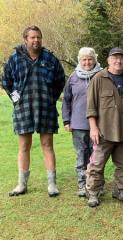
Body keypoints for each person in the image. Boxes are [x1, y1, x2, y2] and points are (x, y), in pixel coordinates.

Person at [2, 25, 65, 197]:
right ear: (25, 39)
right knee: (24, 146)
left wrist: (51, 98)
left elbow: (60, 80)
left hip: (46, 108)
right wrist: (17, 100)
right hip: (24, 109)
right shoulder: (15, 58)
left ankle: (52, 184)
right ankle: (21, 184)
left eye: (38, 37)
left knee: (47, 145)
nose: (36, 40)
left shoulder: (50, 58)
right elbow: (6, 81)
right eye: (32, 37)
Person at [85, 47, 123, 207]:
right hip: (103, 131)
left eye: (121, 58)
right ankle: (93, 192)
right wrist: (93, 128)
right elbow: (91, 107)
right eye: (115, 58)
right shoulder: (98, 78)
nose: (118, 61)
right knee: (97, 164)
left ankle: (120, 190)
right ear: (108, 60)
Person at [62, 47, 102, 197]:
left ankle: (97, 184)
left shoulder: (101, 75)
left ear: (95, 60)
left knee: (96, 157)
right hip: (78, 124)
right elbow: (66, 100)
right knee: (81, 156)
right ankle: (82, 185)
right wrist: (67, 120)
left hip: (99, 125)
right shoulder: (73, 77)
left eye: (90, 59)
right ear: (80, 60)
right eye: (84, 59)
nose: (87, 62)